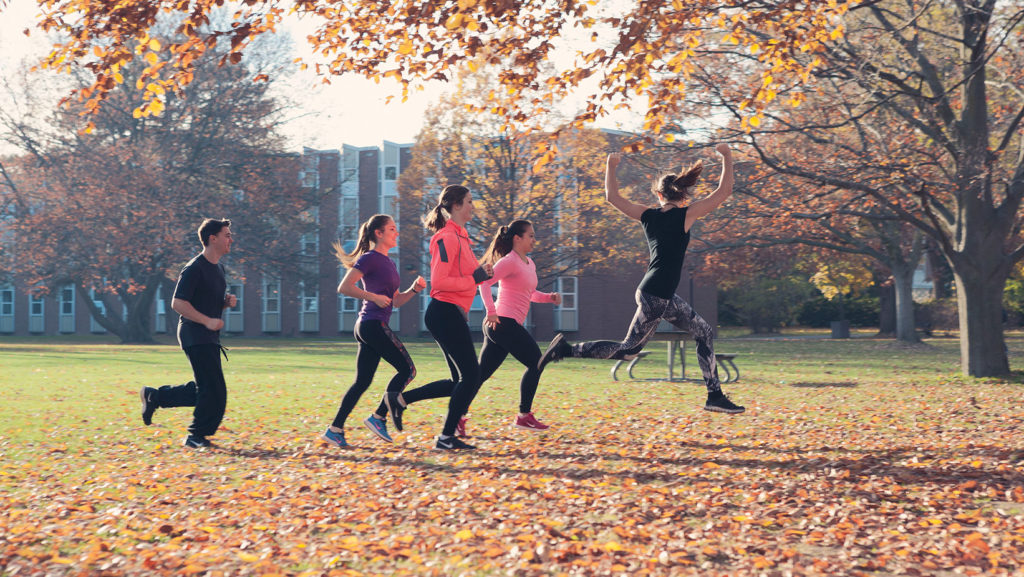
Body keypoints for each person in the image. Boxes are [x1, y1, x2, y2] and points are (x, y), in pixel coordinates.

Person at [539, 145, 745, 414]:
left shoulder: (647, 216)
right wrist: (727, 158)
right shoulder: (686, 214)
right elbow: (724, 192)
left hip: (658, 294)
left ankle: (714, 396)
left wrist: (611, 167)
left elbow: (612, 197)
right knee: (628, 350)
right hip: (656, 295)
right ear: (682, 195)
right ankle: (565, 350)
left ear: (658, 194)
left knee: (703, 331)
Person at [396, 185, 493, 450]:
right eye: (470, 201)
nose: (473, 206)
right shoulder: (445, 238)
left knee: (459, 381)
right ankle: (446, 438)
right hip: (443, 311)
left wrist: (484, 272)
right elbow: (440, 281)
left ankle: (400, 401)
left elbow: (472, 276)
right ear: (457, 205)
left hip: (452, 313)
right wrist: (474, 278)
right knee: (472, 376)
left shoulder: (462, 238)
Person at [320, 214, 426, 448]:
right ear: (378, 233)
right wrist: (373, 297)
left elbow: (395, 302)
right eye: (391, 229)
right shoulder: (370, 258)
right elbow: (344, 286)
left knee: (363, 381)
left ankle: (334, 429)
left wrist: (415, 289)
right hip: (372, 324)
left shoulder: (389, 262)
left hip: (371, 325)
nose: (396, 232)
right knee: (407, 369)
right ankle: (378, 417)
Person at [139, 218, 237, 448]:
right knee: (213, 389)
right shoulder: (194, 267)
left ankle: (155, 397)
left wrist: (224, 304)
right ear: (213, 239)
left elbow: (204, 303)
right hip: (194, 334)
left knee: (208, 388)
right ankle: (195, 436)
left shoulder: (218, 268)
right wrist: (207, 321)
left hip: (208, 335)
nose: (231, 239)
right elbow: (178, 303)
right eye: (227, 235)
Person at [476, 219, 562, 431]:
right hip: (503, 322)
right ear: (517, 238)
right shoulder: (509, 261)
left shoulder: (528, 263)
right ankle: (524, 415)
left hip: (504, 325)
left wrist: (549, 297)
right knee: (536, 362)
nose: (534, 239)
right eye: (530, 235)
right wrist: (491, 311)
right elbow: (484, 283)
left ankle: (457, 418)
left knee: (479, 375)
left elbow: (530, 294)